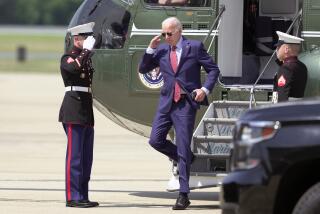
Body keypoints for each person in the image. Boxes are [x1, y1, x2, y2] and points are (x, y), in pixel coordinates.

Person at [139, 17, 220, 210]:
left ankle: (183, 194)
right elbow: (143, 68)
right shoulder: (161, 49)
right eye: (164, 33)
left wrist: (204, 90)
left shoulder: (195, 47)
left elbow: (213, 70)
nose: (166, 37)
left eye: (169, 33)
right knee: (155, 140)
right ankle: (187, 158)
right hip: (166, 103)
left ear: (179, 31)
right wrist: (150, 49)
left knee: (183, 146)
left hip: (185, 103)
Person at [58, 22, 99, 208]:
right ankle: (72, 196)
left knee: (86, 157)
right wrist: (85, 52)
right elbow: (73, 69)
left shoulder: (85, 57)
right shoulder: (68, 58)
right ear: (77, 39)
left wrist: (88, 52)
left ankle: (82, 195)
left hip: (85, 109)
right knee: (74, 156)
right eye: (85, 37)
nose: (89, 40)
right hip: (73, 108)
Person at [273, 31, 308, 102]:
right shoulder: (302, 66)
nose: (277, 50)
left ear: (286, 49)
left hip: (286, 109)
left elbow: (283, 95)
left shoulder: (286, 68)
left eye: (278, 47)